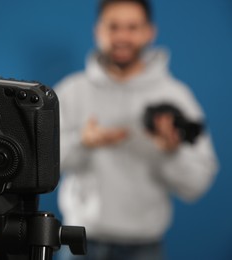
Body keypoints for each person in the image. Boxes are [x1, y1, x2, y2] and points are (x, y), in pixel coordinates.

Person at [56, 0, 218, 259]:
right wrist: (83, 142)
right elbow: (41, 166)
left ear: (149, 32)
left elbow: (197, 184)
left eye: (132, 27)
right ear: (98, 30)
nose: (122, 36)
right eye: (114, 26)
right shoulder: (71, 91)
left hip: (145, 248)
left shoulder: (176, 96)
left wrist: (170, 153)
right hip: (79, 244)